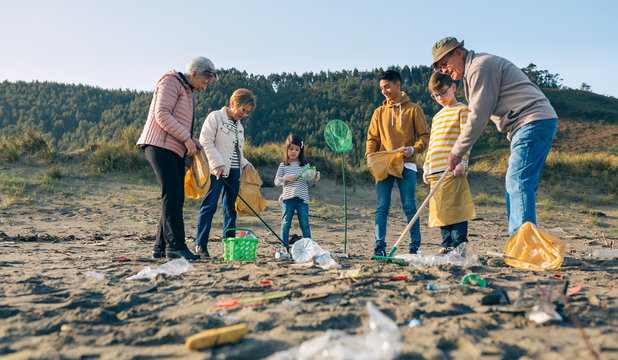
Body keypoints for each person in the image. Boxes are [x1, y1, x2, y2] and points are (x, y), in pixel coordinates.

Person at [431, 37, 558, 235]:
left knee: (518, 182)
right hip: (527, 124)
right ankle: (519, 240)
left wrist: (456, 152)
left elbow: (478, 115)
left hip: (532, 121)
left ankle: (523, 244)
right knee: (515, 183)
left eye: (445, 63)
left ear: (458, 52)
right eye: (439, 68)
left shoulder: (479, 67)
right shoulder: (473, 71)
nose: (444, 70)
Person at [136, 57, 217, 260]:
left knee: (173, 196)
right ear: (194, 74)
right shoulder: (170, 82)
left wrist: (193, 141)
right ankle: (176, 247)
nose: (205, 87)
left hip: (173, 148)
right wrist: (186, 139)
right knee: (173, 196)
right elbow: (161, 115)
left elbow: (178, 122)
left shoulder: (187, 91)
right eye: (205, 82)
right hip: (159, 145)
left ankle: (160, 246)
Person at [365, 70, 430, 256]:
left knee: (409, 206)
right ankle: (379, 247)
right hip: (384, 164)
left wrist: (414, 149)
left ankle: (415, 247)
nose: (384, 91)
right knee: (382, 207)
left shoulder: (414, 110)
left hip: (406, 163)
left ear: (398, 85)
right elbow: (372, 138)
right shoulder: (379, 112)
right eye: (381, 88)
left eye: (387, 87)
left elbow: (425, 136)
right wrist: (370, 155)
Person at [196, 88, 256, 257]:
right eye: (242, 110)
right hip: (216, 171)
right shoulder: (215, 117)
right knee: (209, 206)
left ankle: (230, 248)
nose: (244, 114)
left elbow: (237, 153)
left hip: (235, 172)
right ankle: (200, 245)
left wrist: (247, 164)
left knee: (230, 209)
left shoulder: (240, 126)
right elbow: (205, 141)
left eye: (247, 112)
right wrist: (216, 164)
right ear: (233, 103)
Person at [423, 72, 476, 254]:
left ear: (453, 87)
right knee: (441, 210)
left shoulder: (462, 110)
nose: (440, 98)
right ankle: (446, 246)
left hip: (453, 169)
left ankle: (459, 246)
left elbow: (465, 138)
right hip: (436, 172)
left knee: (456, 209)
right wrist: (426, 165)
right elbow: (433, 144)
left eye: (443, 93)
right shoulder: (437, 117)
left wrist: (463, 161)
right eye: (435, 95)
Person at [274, 134, 321, 256]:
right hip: (288, 199)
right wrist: (286, 178)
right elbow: (277, 181)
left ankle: (309, 247)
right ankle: (284, 247)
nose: (293, 152)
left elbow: (308, 182)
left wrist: (315, 178)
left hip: (302, 199)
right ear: (286, 149)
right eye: (291, 149)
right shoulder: (284, 165)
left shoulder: (305, 166)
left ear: (300, 151)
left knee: (304, 223)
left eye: (296, 150)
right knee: (285, 223)